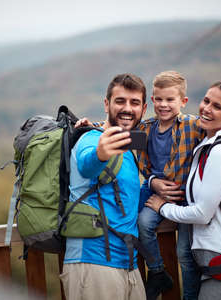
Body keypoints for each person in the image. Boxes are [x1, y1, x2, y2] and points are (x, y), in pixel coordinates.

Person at [136, 71, 221, 300]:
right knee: (140, 223)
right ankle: (157, 271)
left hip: (188, 204)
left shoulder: (194, 126)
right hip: (158, 192)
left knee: (183, 253)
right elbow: (118, 126)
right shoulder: (146, 128)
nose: (163, 105)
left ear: (182, 102)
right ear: (152, 100)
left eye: (170, 100)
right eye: (158, 99)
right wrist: (87, 124)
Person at [60, 73, 148, 300]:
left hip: (128, 263)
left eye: (134, 102)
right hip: (93, 262)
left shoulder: (127, 149)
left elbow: (128, 200)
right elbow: (88, 165)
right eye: (120, 101)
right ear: (107, 104)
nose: (127, 108)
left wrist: (156, 189)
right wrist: (100, 154)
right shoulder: (90, 138)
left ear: (144, 109)